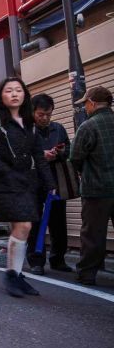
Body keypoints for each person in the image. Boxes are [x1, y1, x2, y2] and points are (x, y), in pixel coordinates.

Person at [0, 77, 55, 297]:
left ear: (25, 95)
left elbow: (38, 155)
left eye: (18, 90)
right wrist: (5, 171)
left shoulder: (30, 124)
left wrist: (50, 183)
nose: (15, 94)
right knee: (24, 226)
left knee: (24, 227)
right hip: (2, 183)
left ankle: (16, 274)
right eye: (9, 91)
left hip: (27, 183)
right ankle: (12, 275)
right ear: (1, 96)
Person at [69, 86, 114, 286]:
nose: (85, 108)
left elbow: (75, 157)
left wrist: (82, 171)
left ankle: (87, 273)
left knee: (93, 234)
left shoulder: (88, 126)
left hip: (97, 189)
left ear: (93, 103)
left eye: (86, 104)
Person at [27, 93, 72, 275]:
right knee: (36, 223)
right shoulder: (25, 131)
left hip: (56, 181)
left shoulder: (58, 129)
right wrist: (40, 155)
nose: (45, 118)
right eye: (40, 114)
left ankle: (58, 259)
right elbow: (18, 156)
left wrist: (59, 153)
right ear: (32, 112)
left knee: (59, 222)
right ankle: (36, 261)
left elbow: (69, 148)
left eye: (48, 114)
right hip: (33, 183)